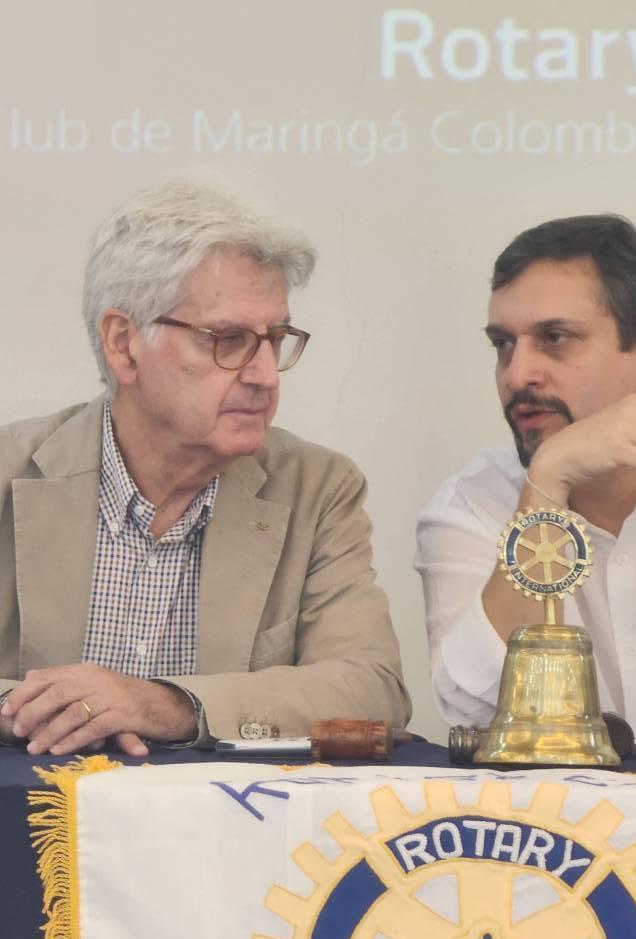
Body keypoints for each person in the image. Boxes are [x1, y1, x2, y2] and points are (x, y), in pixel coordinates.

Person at [0, 179, 409, 755]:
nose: (265, 375)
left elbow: (373, 690)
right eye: (229, 339)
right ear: (123, 343)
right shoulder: (10, 470)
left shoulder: (317, 490)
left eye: (275, 339)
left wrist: (168, 705)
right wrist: (44, 710)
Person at [416, 214, 636, 736]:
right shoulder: (473, 503)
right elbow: (475, 713)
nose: (517, 375)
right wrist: (546, 483)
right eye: (503, 344)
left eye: (555, 338)